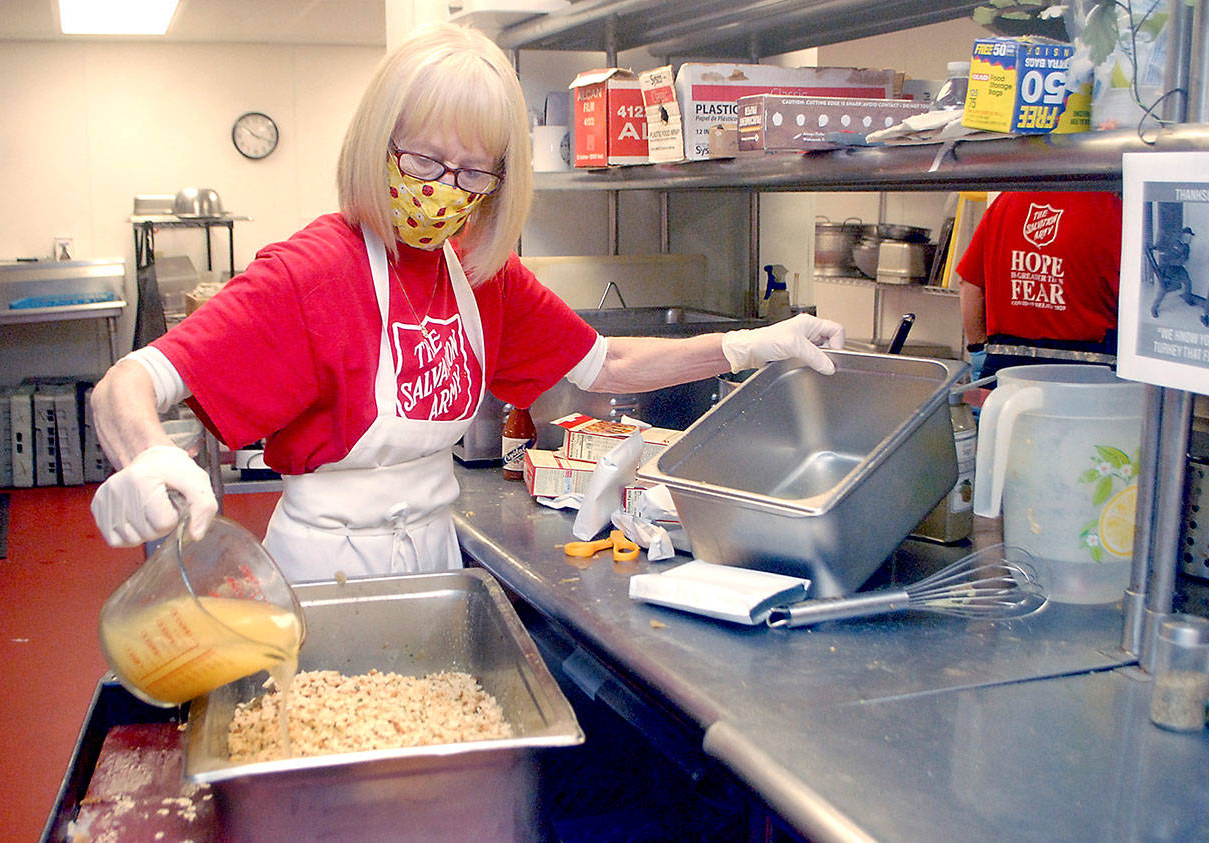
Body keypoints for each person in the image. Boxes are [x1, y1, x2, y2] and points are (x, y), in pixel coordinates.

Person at [88, 22, 845, 583]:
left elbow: (606, 361)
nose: (444, 190)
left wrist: (749, 345)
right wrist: (146, 454)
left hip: (435, 557)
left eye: (473, 173)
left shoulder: (479, 274)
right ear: (375, 144)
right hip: (326, 570)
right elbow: (128, 384)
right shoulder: (309, 273)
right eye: (423, 159)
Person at [958, 191, 1121, 380]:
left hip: (1005, 367)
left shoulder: (1006, 201)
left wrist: (978, 350)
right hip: (1086, 370)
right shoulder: (1110, 208)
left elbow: (968, 283)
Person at [1149, 225, 1195, 321]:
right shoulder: (1174, 242)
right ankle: (1154, 308)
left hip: (1178, 268)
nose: (1189, 239)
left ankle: (1187, 298)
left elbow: (1184, 259)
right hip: (1167, 268)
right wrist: (1154, 247)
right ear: (1182, 236)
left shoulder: (1186, 247)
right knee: (1164, 289)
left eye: (1190, 237)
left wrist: (1180, 261)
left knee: (1187, 281)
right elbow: (1162, 249)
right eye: (1187, 236)